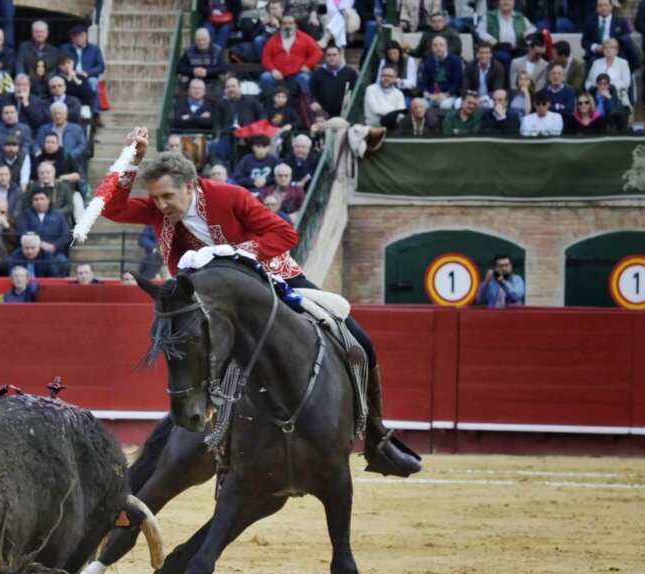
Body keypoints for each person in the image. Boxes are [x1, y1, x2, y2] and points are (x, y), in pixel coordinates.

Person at [102, 126, 422, 477]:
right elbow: (111, 208)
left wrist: (235, 253)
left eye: (167, 196)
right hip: (218, 303)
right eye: (155, 198)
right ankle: (213, 445)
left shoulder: (230, 196)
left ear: (189, 186)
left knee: (359, 341)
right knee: (193, 356)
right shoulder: (159, 210)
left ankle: (378, 439)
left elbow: (286, 234)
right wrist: (131, 160)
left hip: (275, 283)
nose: (161, 206)